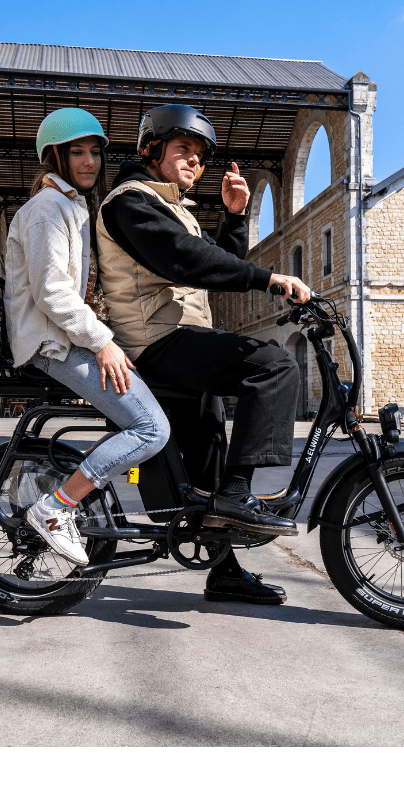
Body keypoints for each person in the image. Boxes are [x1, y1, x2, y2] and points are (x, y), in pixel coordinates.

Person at [95, 104, 312, 605]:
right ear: (151, 149)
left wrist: (234, 217)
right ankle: (238, 495)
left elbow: (218, 264)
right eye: (183, 148)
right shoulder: (130, 202)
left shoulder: (175, 209)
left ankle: (224, 570)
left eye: (200, 154)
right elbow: (185, 260)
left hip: (184, 339)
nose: (195, 160)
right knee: (275, 365)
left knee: (210, 458)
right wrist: (270, 278)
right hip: (155, 340)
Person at [3, 108, 171, 567]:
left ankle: (60, 488)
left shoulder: (72, 205)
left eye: (95, 152)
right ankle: (56, 507)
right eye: (77, 152)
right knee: (151, 428)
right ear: (55, 157)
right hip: (54, 344)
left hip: (68, 339)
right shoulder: (48, 209)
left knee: (151, 411)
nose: (89, 161)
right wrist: (103, 343)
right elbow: (52, 292)